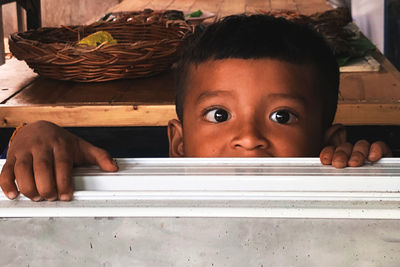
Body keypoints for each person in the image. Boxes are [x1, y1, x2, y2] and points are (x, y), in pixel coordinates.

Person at [0, 14, 391, 202]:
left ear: (330, 140)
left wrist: (371, 173)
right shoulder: (151, 195)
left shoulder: (340, 185)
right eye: (219, 115)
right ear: (179, 143)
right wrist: (32, 134)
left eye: (281, 116)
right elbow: (67, 157)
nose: (249, 139)